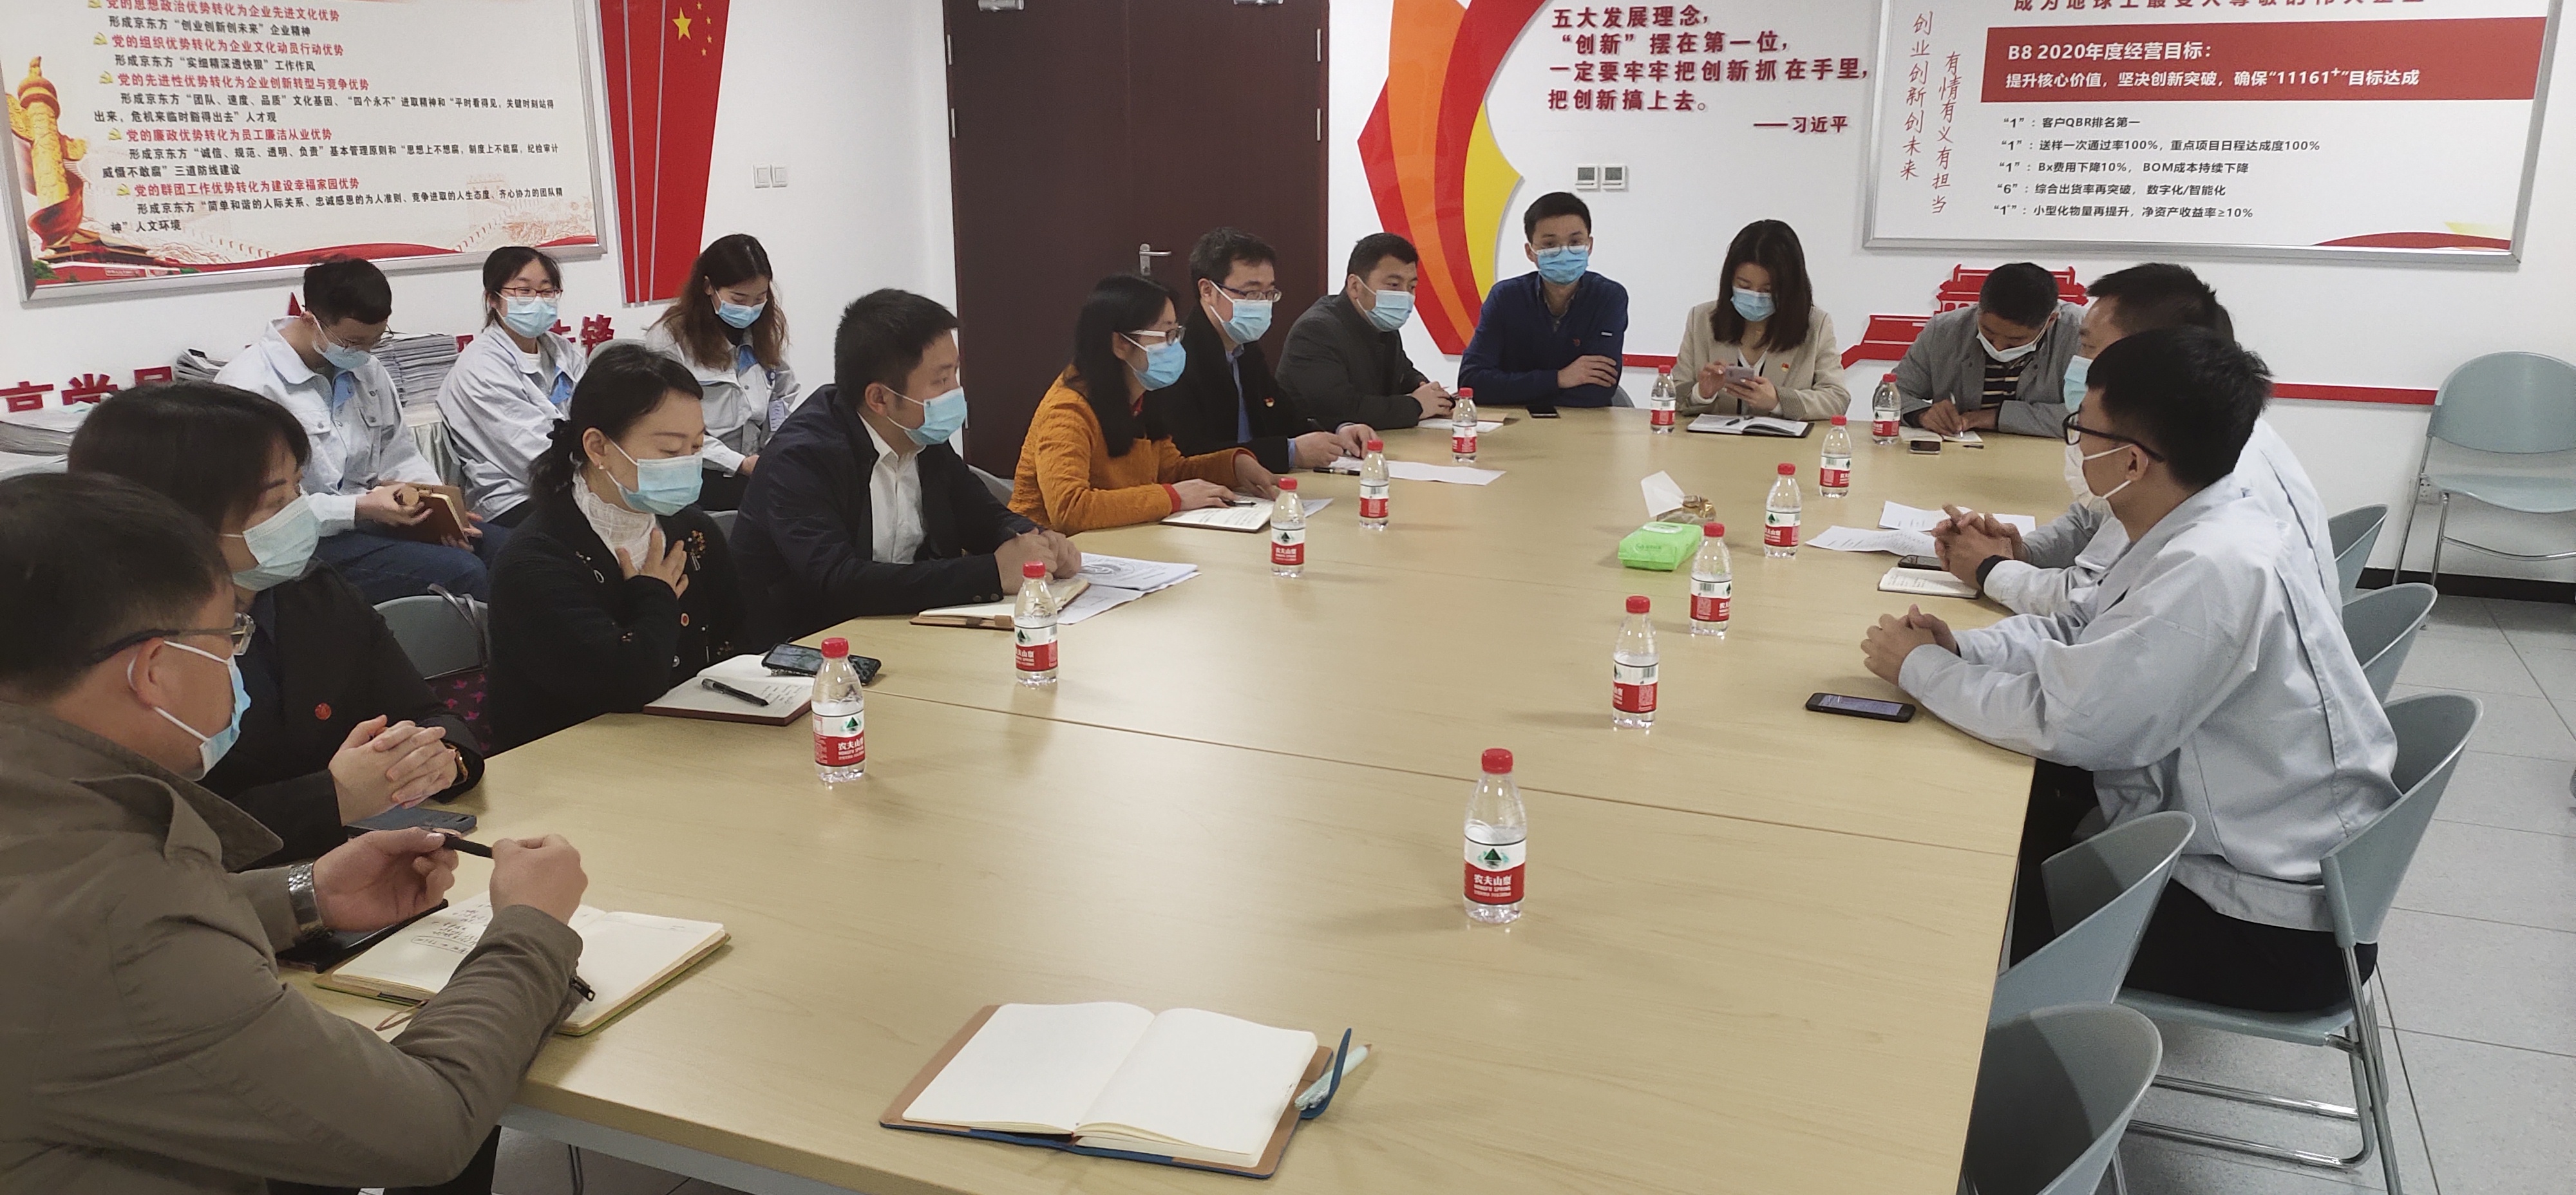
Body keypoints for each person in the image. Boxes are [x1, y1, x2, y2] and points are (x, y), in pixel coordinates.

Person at [0, 470, 592, 1194]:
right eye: (229, 636)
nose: (235, 660)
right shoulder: (118, 926)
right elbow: (428, 1125)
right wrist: (530, 929)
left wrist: (304, 893)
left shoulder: (48, 828)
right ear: (154, 670)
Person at [1862, 327, 2398, 1013]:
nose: (2074, 442)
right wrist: (1965, 650)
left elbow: (2070, 724)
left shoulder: (2211, 566)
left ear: (2133, 460)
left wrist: (1921, 671)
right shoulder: (2197, 520)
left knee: (1954, 904)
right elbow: (2084, 629)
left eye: (2081, 428)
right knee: (1995, 814)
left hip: (2269, 931)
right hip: (2241, 855)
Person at [66, 383, 482, 867]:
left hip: (360, 863)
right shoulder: (120, 653)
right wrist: (333, 796)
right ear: (175, 521)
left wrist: (441, 760)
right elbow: (159, 834)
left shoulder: (312, 591)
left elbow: (426, 713)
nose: (300, 514)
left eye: (299, 490)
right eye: (274, 502)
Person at [1933, 263, 2339, 615]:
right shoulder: (2188, 424)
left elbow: (2090, 601)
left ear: (2155, 356)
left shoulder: (2199, 459)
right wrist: (2022, 551)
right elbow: (2096, 520)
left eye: (2089, 347)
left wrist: (1990, 568)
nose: (2080, 363)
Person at [734, 289, 1078, 643]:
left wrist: (1037, 542)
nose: (955, 392)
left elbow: (982, 516)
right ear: (879, 398)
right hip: (809, 647)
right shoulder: (802, 459)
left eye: (955, 374)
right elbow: (838, 581)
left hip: (903, 631)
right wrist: (990, 574)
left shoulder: (920, 436)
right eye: (941, 380)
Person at [486, 345, 745, 751]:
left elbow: (741, 638)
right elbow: (626, 685)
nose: (686, 463)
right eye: (670, 450)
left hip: (688, 739)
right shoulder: (536, 560)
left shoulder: (691, 530)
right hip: (570, 760)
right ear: (598, 448)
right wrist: (655, 596)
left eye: (696, 448)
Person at [214, 257, 500, 603]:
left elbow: (398, 453)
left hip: (376, 519)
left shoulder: (368, 368)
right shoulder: (249, 386)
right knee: (463, 570)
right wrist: (359, 507)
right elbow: (263, 511)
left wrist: (440, 510)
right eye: (353, 342)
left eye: (375, 341)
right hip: (305, 541)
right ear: (310, 320)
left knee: (508, 549)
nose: (364, 353)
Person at [1011, 273, 1279, 534]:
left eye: (1176, 333)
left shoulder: (1141, 393)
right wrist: (1172, 497)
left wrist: (1234, 465)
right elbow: (1070, 509)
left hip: (1119, 543)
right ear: (1120, 343)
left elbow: (1170, 471)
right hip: (1046, 552)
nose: (1175, 346)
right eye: (1166, 334)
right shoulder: (1067, 410)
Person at [1151, 227, 1372, 472]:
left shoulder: (1246, 348)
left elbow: (1286, 419)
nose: (1263, 304)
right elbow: (1190, 453)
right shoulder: (1178, 357)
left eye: (1269, 293)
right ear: (1208, 291)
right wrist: (1290, 452)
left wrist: (1340, 432)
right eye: (1252, 293)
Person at [643, 233, 803, 511]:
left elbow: (782, 394)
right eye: (738, 299)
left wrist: (775, 445)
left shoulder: (764, 330)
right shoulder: (670, 338)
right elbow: (669, 425)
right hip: (700, 471)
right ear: (709, 287)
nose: (750, 309)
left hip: (759, 465)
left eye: (760, 298)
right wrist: (738, 463)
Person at [437, 246, 589, 528]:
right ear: (493, 298)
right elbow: (534, 456)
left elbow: (597, 411)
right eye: (524, 291)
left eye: (547, 291)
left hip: (578, 478)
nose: (538, 300)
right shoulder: (481, 366)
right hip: (516, 498)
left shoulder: (561, 350)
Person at [1458, 191, 1629, 409]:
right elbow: (1472, 383)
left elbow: (1597, 392)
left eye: (1575, 242)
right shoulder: (1505, 298)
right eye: (1550, 245)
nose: (1564, 253)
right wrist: (1560, 378)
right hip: (1515, 425)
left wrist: (1513, 390)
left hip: (1581, 425)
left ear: (1590, 245)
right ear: (1531, 252)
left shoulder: (1609, 297)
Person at [1671, 220, 1850, 421]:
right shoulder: (1701, 319)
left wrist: (1778, 401)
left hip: (1783, 441)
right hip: (1710, 440)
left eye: (1768, 290)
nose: (1755, 297)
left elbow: (1836, 399)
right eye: (1744, 286)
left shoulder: (1817, 325)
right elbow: (1675, 392)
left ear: (1789, 289)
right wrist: (1701, 393)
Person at [1275, 232, 1454, 431]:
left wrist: (1427, 391)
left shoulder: (1382, 325)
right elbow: (1342, 409)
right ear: (1355, 286)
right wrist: (1417, 405)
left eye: (1412, 286)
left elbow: (1404, 374)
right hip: (1318, 444)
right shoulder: (1315, 331)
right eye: (1394, 285)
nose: (1405, 295)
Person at [1889, 261, 2082, 438]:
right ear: (1979, 308)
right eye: (1988, 332)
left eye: (2015, 340)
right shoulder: (1944, 330)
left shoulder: (2082, 335)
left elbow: (2090, 418)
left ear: (2050, 321)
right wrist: (1922, 414)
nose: (1998, 347)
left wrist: (1994, 418)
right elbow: (1893, 393)